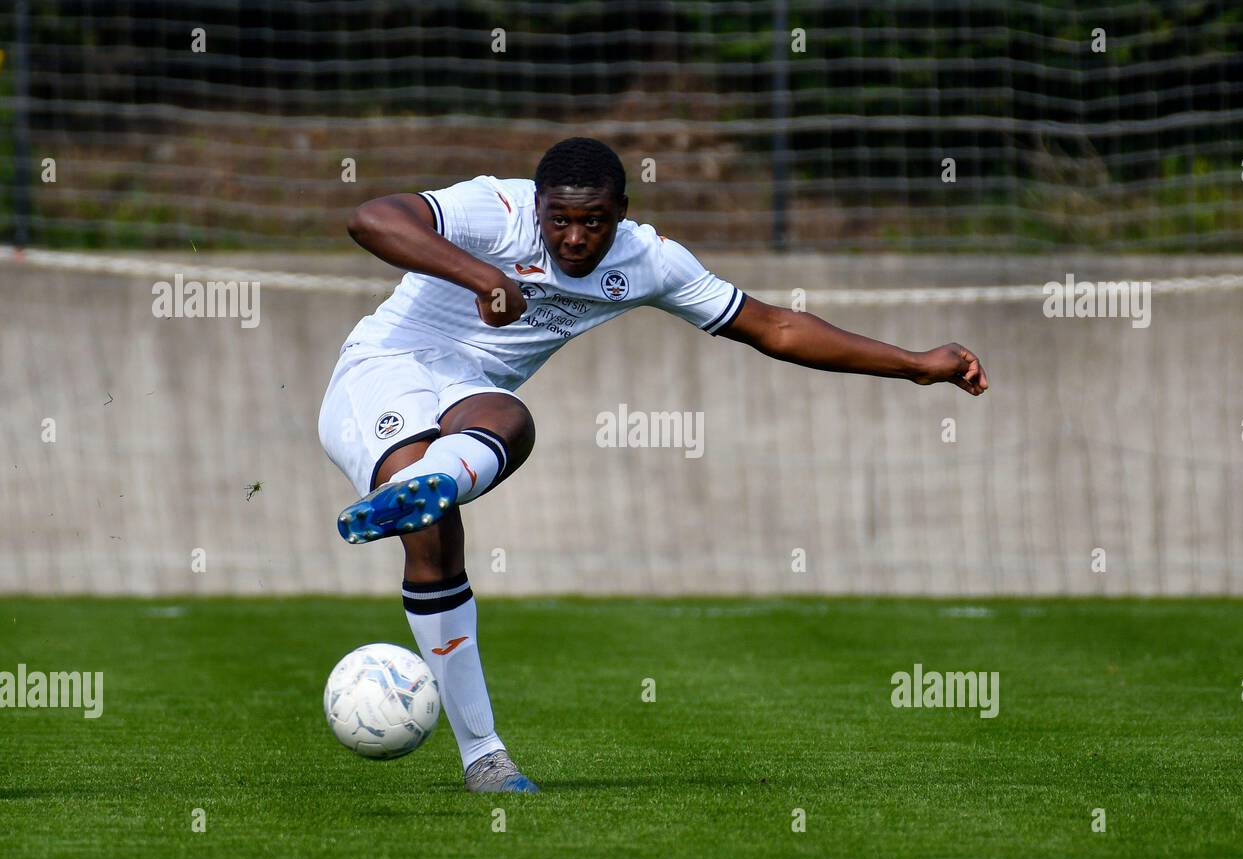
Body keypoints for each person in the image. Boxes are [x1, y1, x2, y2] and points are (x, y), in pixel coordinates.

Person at [318, 137, 989, 793]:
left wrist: (915, 366)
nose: (574, 238)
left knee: (512, 423)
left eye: (593, 223)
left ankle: (426, 488)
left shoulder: (649, 259)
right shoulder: (495, 207)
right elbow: (372, 218)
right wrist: (485, 277)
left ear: (621, 212)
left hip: (469, 395)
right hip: (384, 369)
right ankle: (483, 748)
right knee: (436, 536)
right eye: (559, 220)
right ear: (537, 207)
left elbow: (774, 327)